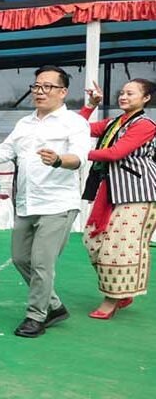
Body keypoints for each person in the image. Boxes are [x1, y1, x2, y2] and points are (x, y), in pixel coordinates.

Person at [0, 65, 91, 337]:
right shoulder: (24, 123)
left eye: (47, 87)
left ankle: (36, 316)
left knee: (43, 263)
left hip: (57, 204)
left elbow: (79, 158)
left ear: (63, 92)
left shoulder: (75, 123)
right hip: (26, 203)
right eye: (36, 86)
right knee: (20, 258)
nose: (40, 92)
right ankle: (54, 305)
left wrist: (57, 160)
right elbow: (6, 150)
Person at [79, 79, 156, 319]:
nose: (123, 96)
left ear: (146, 98)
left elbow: (116, 153)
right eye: (122, 93)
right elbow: (76, 128)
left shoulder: (145, 125)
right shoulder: (114, 123)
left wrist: (78, 155)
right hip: (111, 190)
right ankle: (122, 290)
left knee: (119, 247)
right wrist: (91, 105)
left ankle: (111, 299)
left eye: (130, 93)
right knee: (92, 241)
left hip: (138, 192)